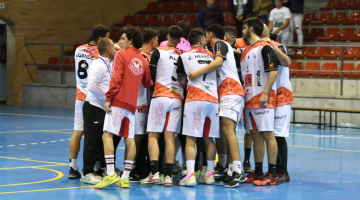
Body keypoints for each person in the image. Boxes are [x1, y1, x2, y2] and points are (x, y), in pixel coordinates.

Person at [187, 24, 246, 188]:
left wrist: (198, 72)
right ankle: (228, 168)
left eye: (205, 35)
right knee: (221, 132)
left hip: (231, 90)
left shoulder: (219, 44)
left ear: (210, 34)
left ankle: (238, 171)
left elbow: (219, 62)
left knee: (228, 130)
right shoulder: (220, 47)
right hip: (224, 92)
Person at [94, 26, 153, 189]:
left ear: (131, 40)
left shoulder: (121, 55)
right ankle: (125, 177)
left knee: (107, 135)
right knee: (129, 140)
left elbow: (116, 78)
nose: (121, 42)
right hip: (132, 106)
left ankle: (111, 173)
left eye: (123, 39)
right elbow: (148, 83)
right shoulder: (143, 60)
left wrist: (108, 98)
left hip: (118, 102)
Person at [140, 25, 184, 187]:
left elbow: (151, 74)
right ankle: (168, 176)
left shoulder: (158, 51)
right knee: (170, 137)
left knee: (153, 136)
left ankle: (154, 173)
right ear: (180, 39)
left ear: (167, 37)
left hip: (160, 96)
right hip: (177, 99)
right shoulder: (183, 54)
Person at [176, 28, 219, 187]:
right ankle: (210, 176)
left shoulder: (183, 56)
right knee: (209, 138)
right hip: (213, 100)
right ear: (202, 41)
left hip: (194, 99)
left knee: (190, 139)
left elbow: (182, 81)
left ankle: (191, 176)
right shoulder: (213, 56)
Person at [240, 17, 279, 186]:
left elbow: (273, 71)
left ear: (251, 29)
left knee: (267, 134)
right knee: (255, 135)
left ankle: (273, 173)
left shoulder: (265, 47)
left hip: (263, 98)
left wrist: (265, 93)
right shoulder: (246, 51)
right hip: (249, 99)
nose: (241, 31)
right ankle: (258, 171)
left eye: (244, 28)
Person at [69, 24, 110, 179]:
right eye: (108, 37)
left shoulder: (79, 49)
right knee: (97, 134)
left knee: (78, 131)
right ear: (101, 39)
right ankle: (97, 167)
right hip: (93, 99)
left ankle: (72, 167)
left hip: (79, 96)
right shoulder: (99, 55)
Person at [81, 38, 116, 184]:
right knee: (92, 140)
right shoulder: (97, 65)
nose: (115, 49)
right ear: (108, 48)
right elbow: (93, 86)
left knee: (101, 141)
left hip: (102, 107)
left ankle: (97, 169)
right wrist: (107, 97)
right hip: (94, 106)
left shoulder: (108, 63)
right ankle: (87, 172)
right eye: (113, 47)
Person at [261, 24, 292, 184]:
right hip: (271, 98)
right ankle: (273, 170)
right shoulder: (259, 48)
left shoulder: (279, 46)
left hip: (282, 97)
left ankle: (283, 172)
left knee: (279, 135)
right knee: (270, 135)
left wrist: (272, 44)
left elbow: (287, 62)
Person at [128, 28, 159, 182]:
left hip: (147, 103)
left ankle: (140, 167)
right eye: (157, 39)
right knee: (137, 139)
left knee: (144, 138)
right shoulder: (142, 57)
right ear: (153, 40)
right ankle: (131, 169)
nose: (158, 42)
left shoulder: (149, 56)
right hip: (139, 103)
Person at [223, 27, 253, 174]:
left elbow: (245, 53)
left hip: (243, 90)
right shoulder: (225, 48)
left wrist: (234, 50)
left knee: (248, 129)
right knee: (230, 129)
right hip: (236, 88)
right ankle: (229, 166)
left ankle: (245, 161)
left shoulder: (244, 45)